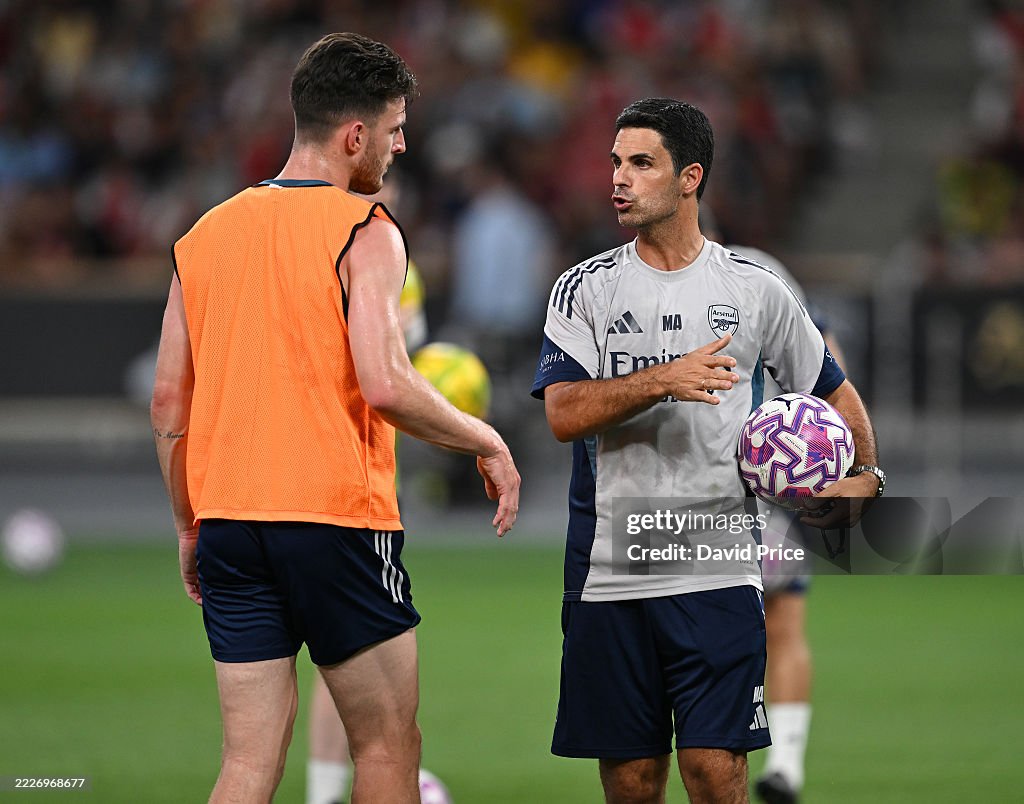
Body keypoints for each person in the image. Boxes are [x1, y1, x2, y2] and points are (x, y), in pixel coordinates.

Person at [151, 32, 520, 804]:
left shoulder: (202, 238)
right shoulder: (368, 230)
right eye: (394, 129)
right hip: (335, 522)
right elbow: (385, 384)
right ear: (355, 135)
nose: (402, 144)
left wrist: (190, 522)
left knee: (248, 763)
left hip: (228, 519)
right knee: (386, 747)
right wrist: (483, 436)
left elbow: (167, 404)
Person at [531, 97, 883, 803]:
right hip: (610, 572)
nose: (618, 179)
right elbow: (564, 413)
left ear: (690, 177)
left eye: (640, 163)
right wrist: (664, 379)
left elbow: (834, 392)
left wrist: (866, 477)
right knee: (633, 780)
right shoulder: (585, 288)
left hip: (719, 566)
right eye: (615, 163)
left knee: (714, 770)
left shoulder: (755, 290)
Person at [701, 209, 847, 804]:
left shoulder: (642, 286)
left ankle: (716, 754)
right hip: (766, 490)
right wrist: (809, 448)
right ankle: (784, 762)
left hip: (680, 498)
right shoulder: (764, 273)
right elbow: (827, 362)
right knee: (783, 626)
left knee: (681, 636)